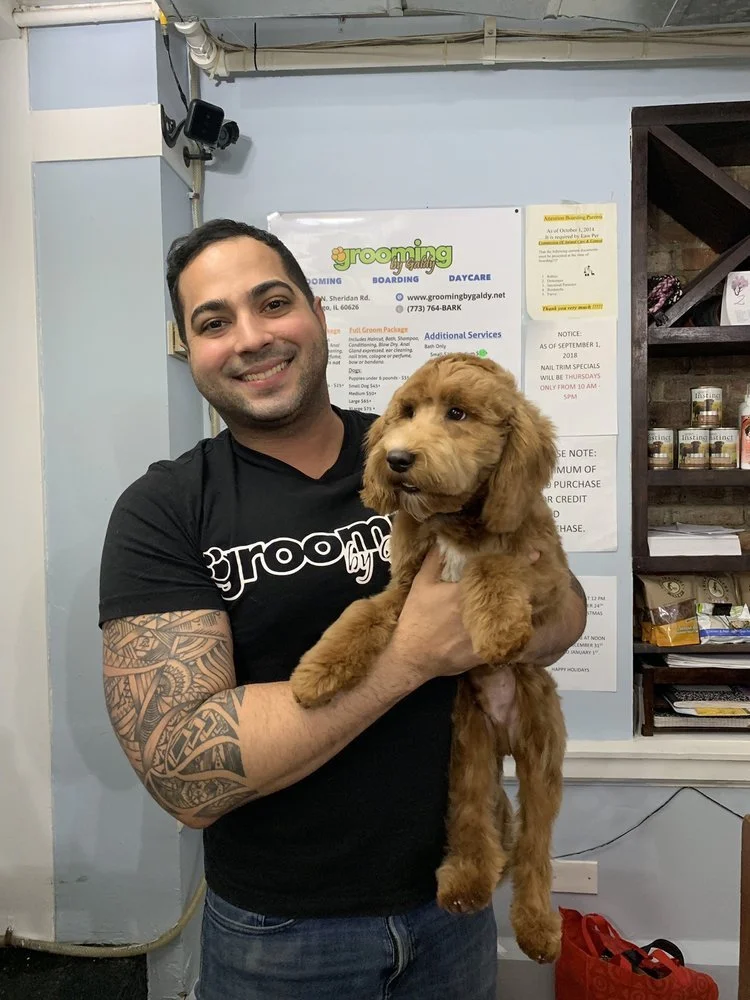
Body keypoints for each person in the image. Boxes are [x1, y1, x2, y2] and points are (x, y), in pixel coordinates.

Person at [99, 219, 587, 1000]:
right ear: (189, 349)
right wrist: (412, 656)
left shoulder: (420, 442)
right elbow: (181, 773)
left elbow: (565, 610)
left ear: (318, 314)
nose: (251, 337)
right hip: (280, 935)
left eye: (273, 302)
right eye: (213, 322)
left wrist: (529, 625)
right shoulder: (164, 510)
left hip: (449, 908)